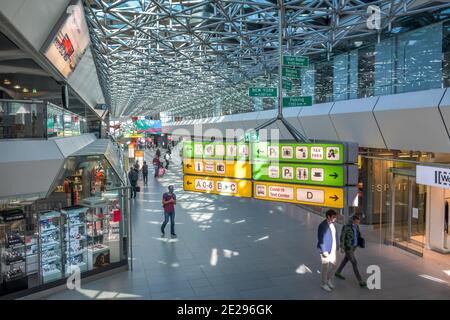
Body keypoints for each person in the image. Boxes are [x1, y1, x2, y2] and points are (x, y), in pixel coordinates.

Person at [335, 215, 367, 288]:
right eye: (356, 222)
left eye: (358, 222)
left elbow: (358, 235)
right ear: (353, 221)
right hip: (348, 247)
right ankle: (360, 281)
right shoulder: (346, 227)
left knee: (346, 260)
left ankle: (338, 272)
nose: (358, 223)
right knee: (354, 262)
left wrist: (359, 243)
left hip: (354, 247)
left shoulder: (357, 227)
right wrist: (342, 247)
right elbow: (342, 237)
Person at [317, 209, 339, 292]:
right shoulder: (322, 225)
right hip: (325, 250)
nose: (335, 219)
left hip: (332, 249)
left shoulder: (333, 225)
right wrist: (324, 251)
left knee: (334, 266)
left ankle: (328, 279)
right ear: (328, 216)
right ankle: (323, 284)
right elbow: (320, 239)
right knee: (325, 267)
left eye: (335, 217)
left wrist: (338, 246)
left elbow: (335, 235)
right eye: (333, 217)